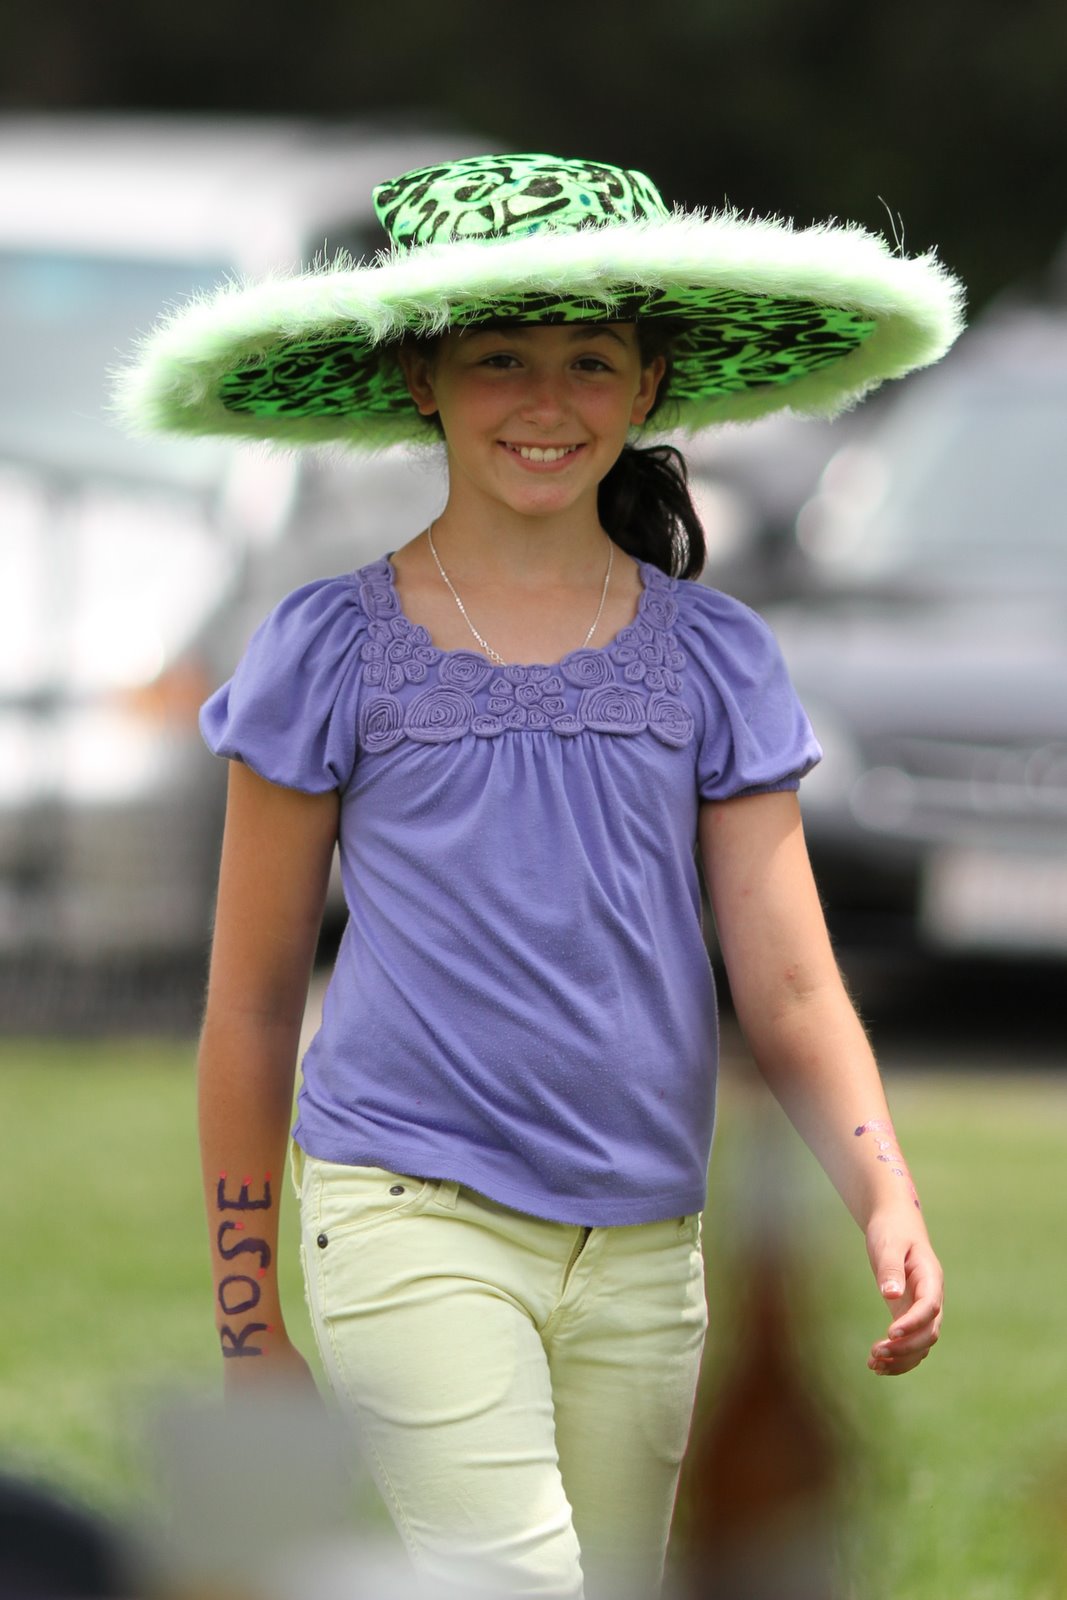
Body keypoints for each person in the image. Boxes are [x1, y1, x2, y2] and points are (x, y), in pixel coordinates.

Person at [117, 154, 965, 1599]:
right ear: (423, 378)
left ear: (647, 387)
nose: (546, 401)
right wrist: (248, 1322)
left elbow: (791, 983)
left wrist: (885, 1191)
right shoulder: (328, 648)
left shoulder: (716, 659)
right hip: (406, 1212)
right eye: (501, 357)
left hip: (648, 1246)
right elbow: (251, 1008)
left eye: (590, 360)